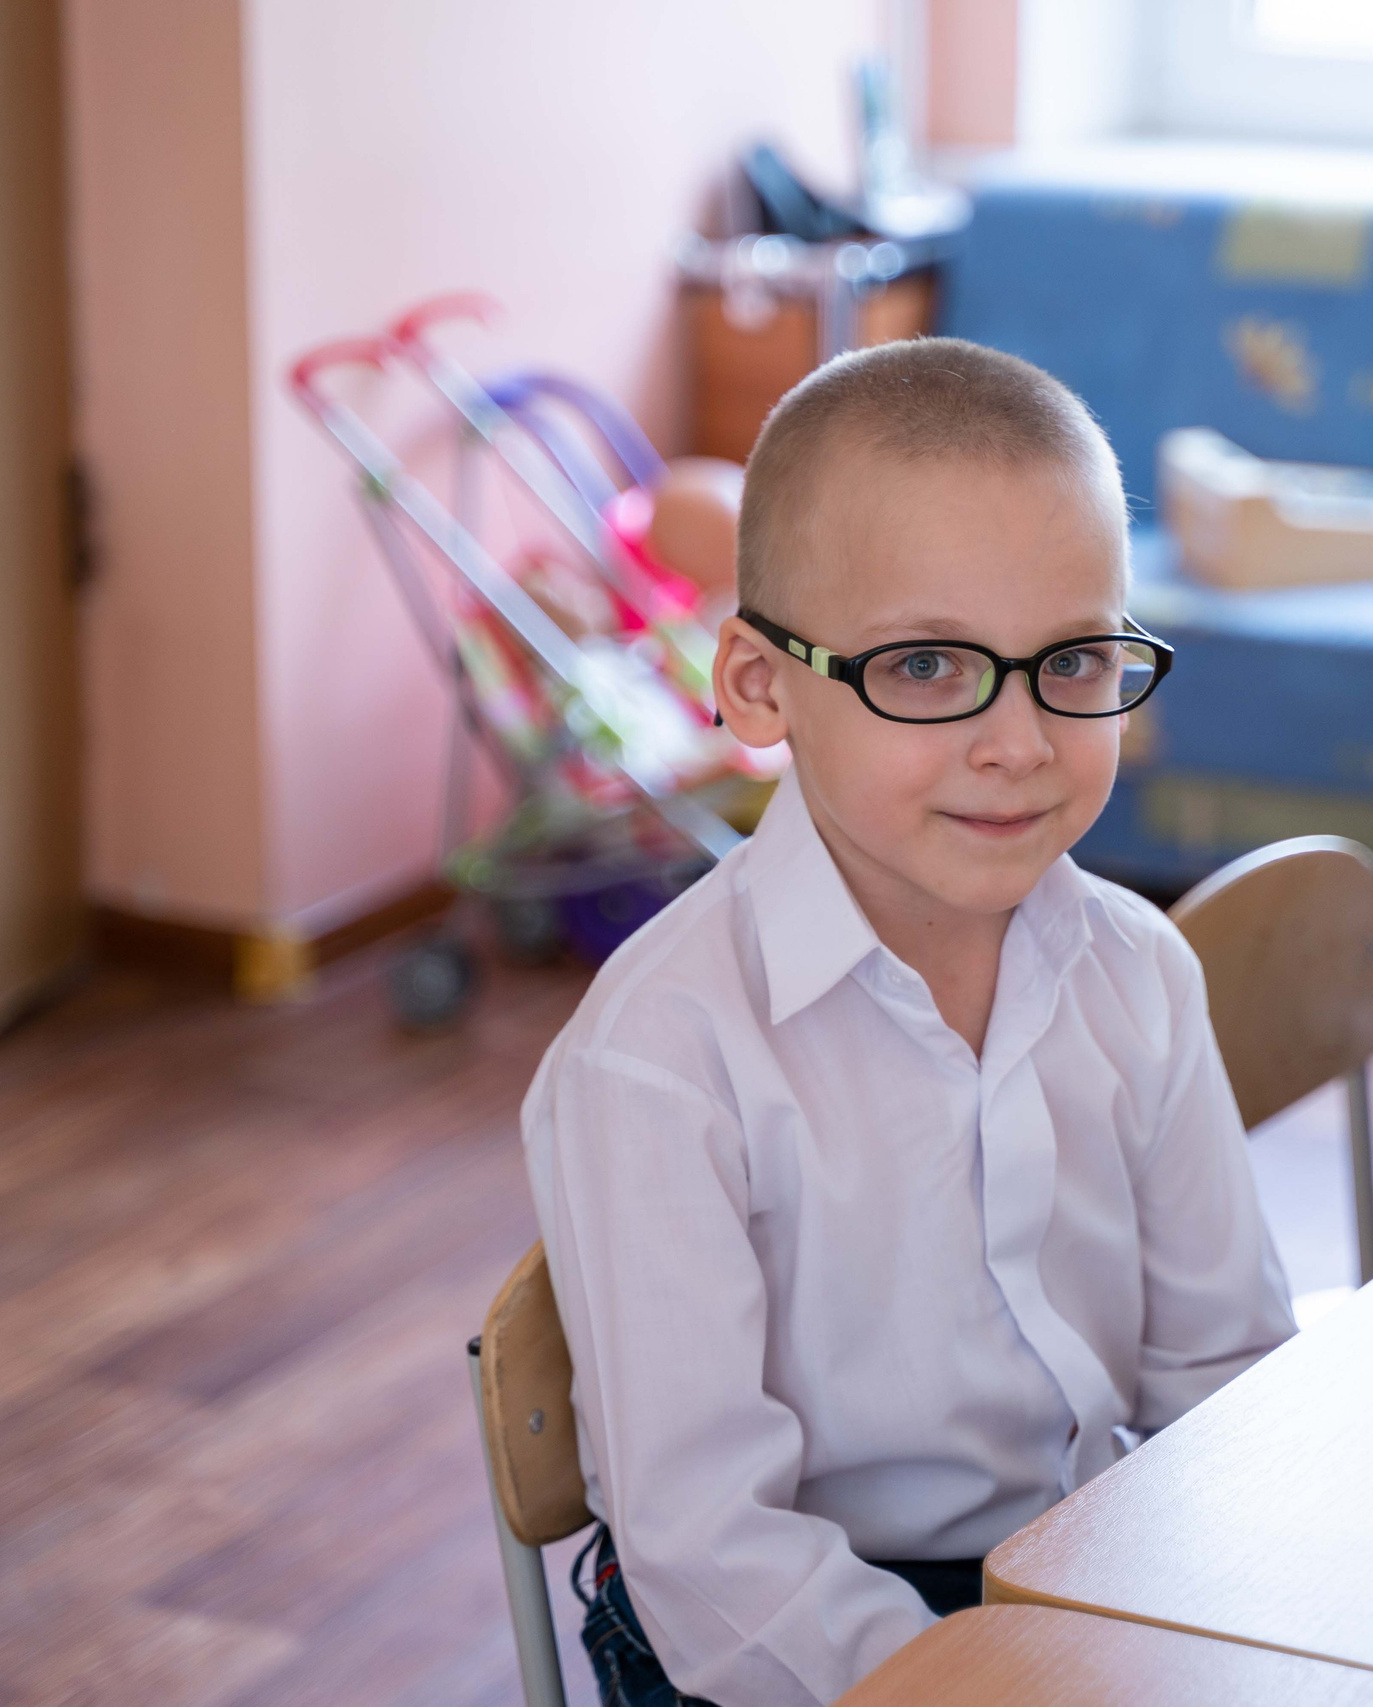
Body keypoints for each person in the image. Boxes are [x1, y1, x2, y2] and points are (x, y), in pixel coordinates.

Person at [520, 337, 1294, 1707]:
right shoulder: (661, 1059)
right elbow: (710, 1555)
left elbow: (1225, 1377)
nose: (1019, 740)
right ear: (759, 686)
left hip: (1077, 1563)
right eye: (929, 665)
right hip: (780, 1642)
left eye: (1074, 659)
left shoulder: (1138, 972)